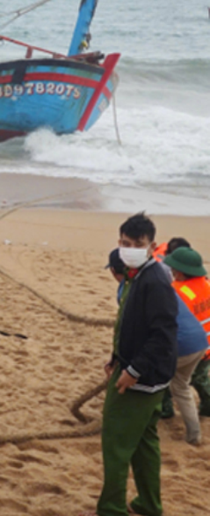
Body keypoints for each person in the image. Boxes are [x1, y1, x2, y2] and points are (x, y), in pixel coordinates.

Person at [80, 213, 177, 516]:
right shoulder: (136, 275)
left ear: (151, 246)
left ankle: (111, 508)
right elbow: (129, 325)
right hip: (141, 371)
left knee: (116, 444)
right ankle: (149, 504)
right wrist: (116, 358)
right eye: (125, 242)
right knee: (145, 443)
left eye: (138, 243)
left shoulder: (156, 280)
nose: (130, 248)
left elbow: (162, 336)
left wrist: (132, 371)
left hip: (142, 377)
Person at [109, 249, 207, 445]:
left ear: (113, 271)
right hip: (200, 342)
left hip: (178, 345)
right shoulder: (157, 281)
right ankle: (194, 435)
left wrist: (121, 362)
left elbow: (133, 332)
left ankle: (145, 422)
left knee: (146, 379)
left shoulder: (128, 289)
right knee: (181, 387)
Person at [164, 247, 210, 419]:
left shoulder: (179, 292)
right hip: (206, 345)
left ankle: (166, 410)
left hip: (189, 347)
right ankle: (208, 406)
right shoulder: (206, 284)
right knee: (201, 379)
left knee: (168, 379)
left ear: (181, 272)